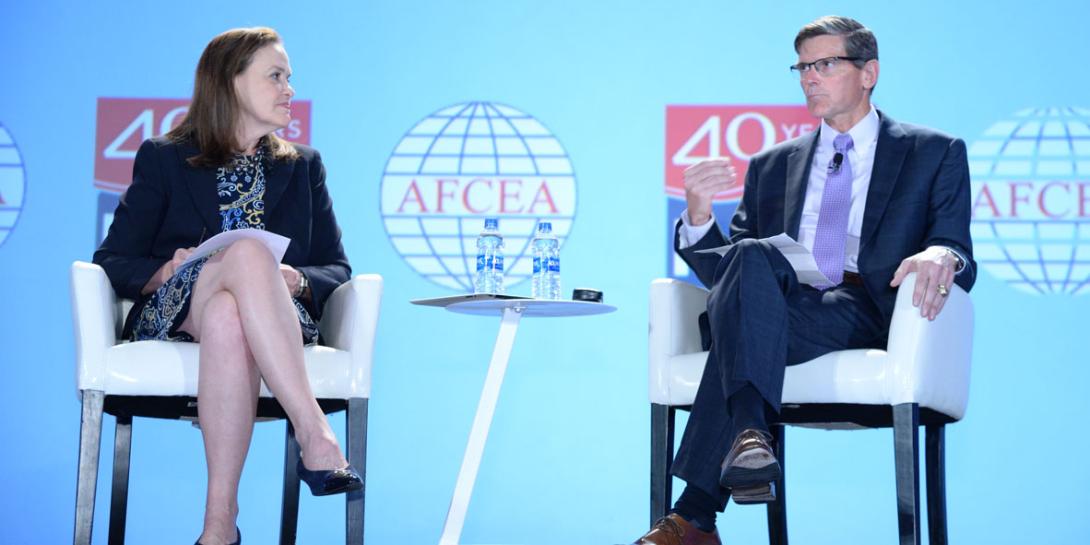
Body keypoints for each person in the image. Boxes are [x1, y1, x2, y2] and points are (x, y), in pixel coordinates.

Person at [630, 15, 975, 545]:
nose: (810, 77)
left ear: (869, 73)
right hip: (781, 304)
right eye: (803, 67)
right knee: (748, 257)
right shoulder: (771, 164)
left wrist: (939, 253)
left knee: (742, 322)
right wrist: (698, 217)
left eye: (826, 64)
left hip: (864, 308)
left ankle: (700, 510)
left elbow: (958, 248)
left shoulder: (932, 152)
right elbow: (732, 276)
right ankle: (745, 443)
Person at [93, 27, 360, 545]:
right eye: (275, 76)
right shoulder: (164, 157)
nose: (289, 89)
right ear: (231, 83)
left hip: (273, 315)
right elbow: (112, 259)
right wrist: (164, 271)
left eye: (290, 78)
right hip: (174, 309)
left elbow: (337, 269)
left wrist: (295, 278)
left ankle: (219, 527)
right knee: (242, 253)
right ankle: (315, 433)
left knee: (229, 314)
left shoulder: (304, 167)